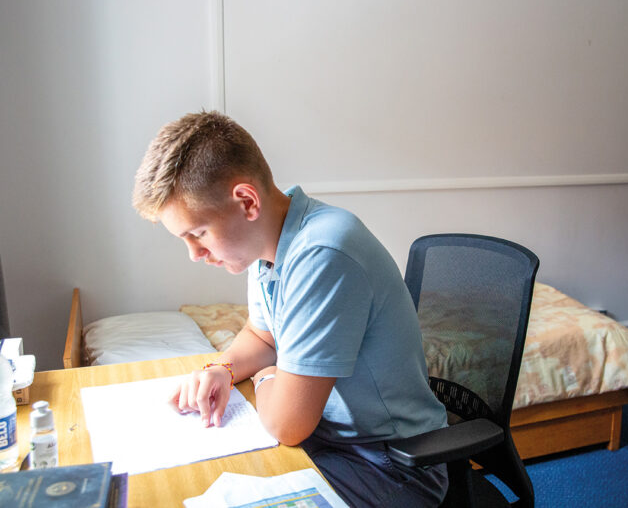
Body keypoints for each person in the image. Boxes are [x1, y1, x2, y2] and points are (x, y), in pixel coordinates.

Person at [132, 111, 449, 507]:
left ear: (247, 201)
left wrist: (266, 377)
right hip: (333, 440)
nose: (194, 254)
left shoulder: (322, 253)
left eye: (198, 234)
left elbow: (288, 424)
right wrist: (223, 369)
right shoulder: (270, 244)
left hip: (390, 463)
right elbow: (262, 336)